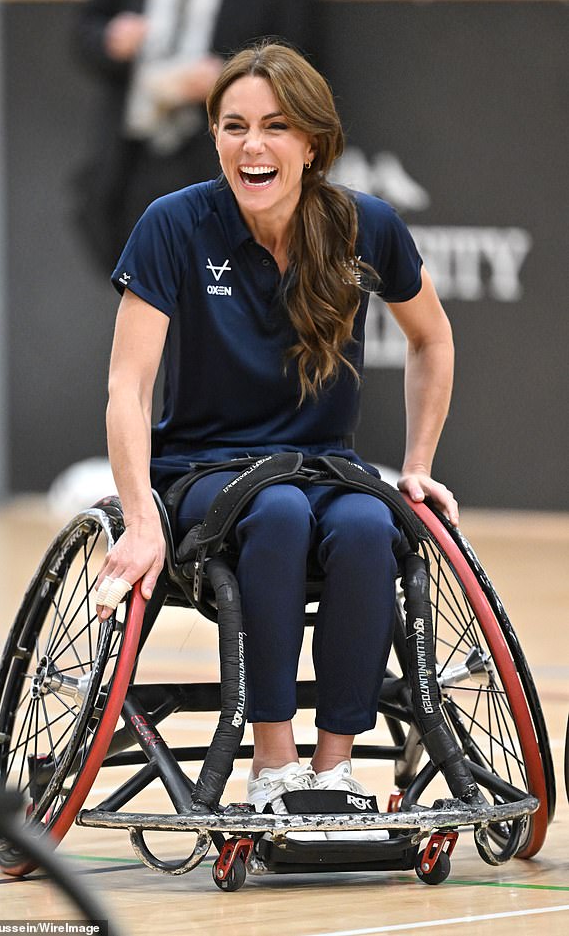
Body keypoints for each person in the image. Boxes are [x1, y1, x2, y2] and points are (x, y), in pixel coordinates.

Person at [95, 42, 458, 837]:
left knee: (370, 525)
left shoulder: (367, 226)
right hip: (204, 471)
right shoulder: (174, 225)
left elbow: (433, 339)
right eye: (233, 126)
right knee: (280, 513)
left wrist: (420, 463)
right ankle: (272, 765)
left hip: (325, 466)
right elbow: (128, 385)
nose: (252, 145)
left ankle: (333, 771)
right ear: (215, 137)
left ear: (312, 144)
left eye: (275, 126)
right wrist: (140, 511)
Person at [72, 0, 313, 272]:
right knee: (140, 278)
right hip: (134, 152)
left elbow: (297, 63)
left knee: (221, 281)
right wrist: (110, 38)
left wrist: (229, 81)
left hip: (217, 157)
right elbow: (85, 28)